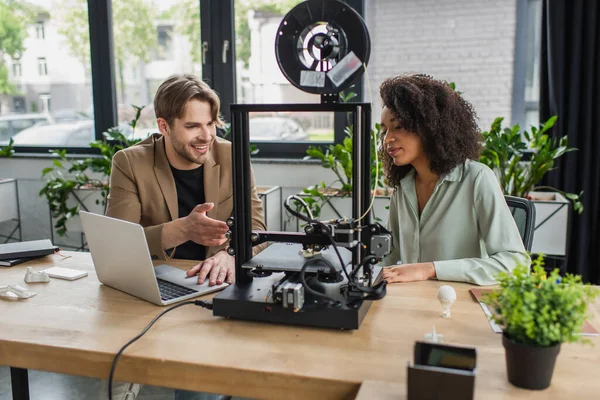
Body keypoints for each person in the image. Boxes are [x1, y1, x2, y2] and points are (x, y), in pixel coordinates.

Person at [103, 74, 266, 400]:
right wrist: (180, 229)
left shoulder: (231, 156)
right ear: (164, 126)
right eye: (193, 126)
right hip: (151, 290)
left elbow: (258, 229)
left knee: (197, 389)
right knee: (115, 381)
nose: (206, 135)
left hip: (212, 287)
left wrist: (231, 255)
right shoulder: (130, 163)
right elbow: (115, 243)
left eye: (211, 124)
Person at [379, 74, 529, 286]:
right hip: (411, 303)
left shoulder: (477, 179)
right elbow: (388, 255)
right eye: (384, 131)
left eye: (398, 126)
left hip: (458, 306)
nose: (388, 140)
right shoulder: (403, 188)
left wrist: (431, 269)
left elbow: (515, 264)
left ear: (429, 126)